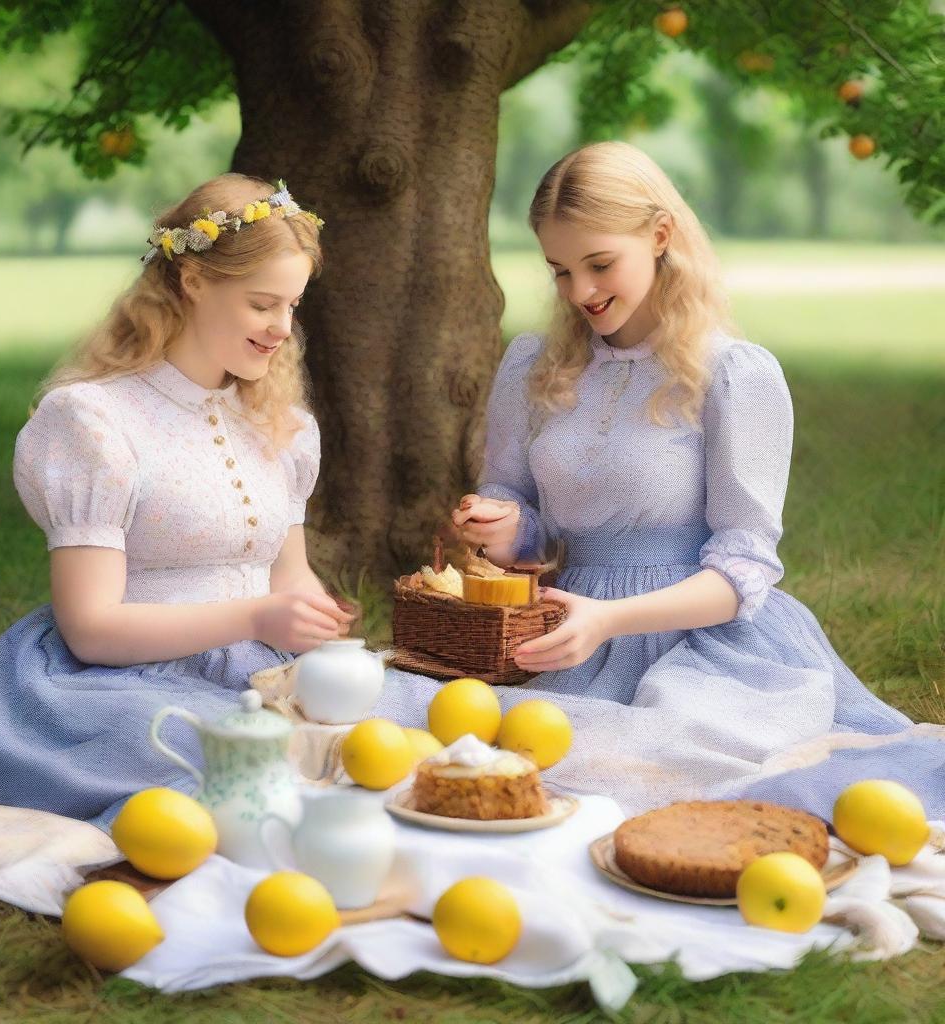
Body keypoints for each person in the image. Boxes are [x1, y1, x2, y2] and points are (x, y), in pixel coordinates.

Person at [374, 142, 943, 818]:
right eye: (560, 271)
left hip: (704, 641)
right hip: (563, 627)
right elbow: (525, 518)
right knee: (443, 741)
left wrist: (612, 619)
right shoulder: (535, 363)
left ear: (661, 237)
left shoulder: (732, 374)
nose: (579, 292)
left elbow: (745, 568)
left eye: (600, 264)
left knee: (660, 766)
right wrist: (502, 525)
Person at [0, 174, 353, 830]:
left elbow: (289, 577)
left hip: (257, 669)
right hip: (120, 680)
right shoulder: (96, 422)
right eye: (263, 304)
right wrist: (260, 618)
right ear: (195, 282)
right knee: (219, 754)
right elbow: (90, 628)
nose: (281, 329)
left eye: (293, 307)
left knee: (376, 731)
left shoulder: (282, 425)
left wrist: (321, 636)